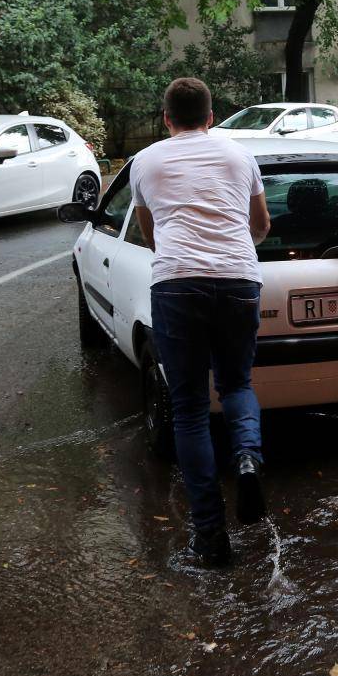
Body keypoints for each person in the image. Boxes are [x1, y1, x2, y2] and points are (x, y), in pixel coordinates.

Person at [131, 77, 273, 566]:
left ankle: (210, 538)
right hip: (238, 279)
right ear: (211, 117)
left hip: (176, 284)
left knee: (189, 407)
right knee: (237, 383)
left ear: (166, 118)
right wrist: (234, 250)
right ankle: (249, 457)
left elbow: (150, 233)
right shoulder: (240, 157)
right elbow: (261, 225)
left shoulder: (145, 162)